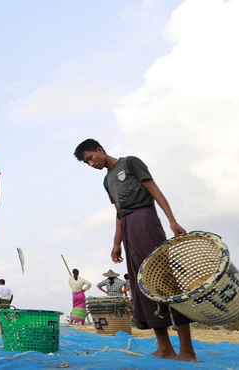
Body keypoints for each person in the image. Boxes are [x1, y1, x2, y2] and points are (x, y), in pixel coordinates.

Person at [75, 138, 197, 362]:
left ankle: (187, 351)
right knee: (141, 285)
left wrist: (172, 220)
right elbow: (118, 212)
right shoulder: (107, 181)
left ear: (100, 150)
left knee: (163, 281)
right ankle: (164, 348)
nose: (91, 164)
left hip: (145, 220)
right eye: (86, 163)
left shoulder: (130, 163)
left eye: (91, 158)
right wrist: (116, 242)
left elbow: (154, 190)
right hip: (128, 227)